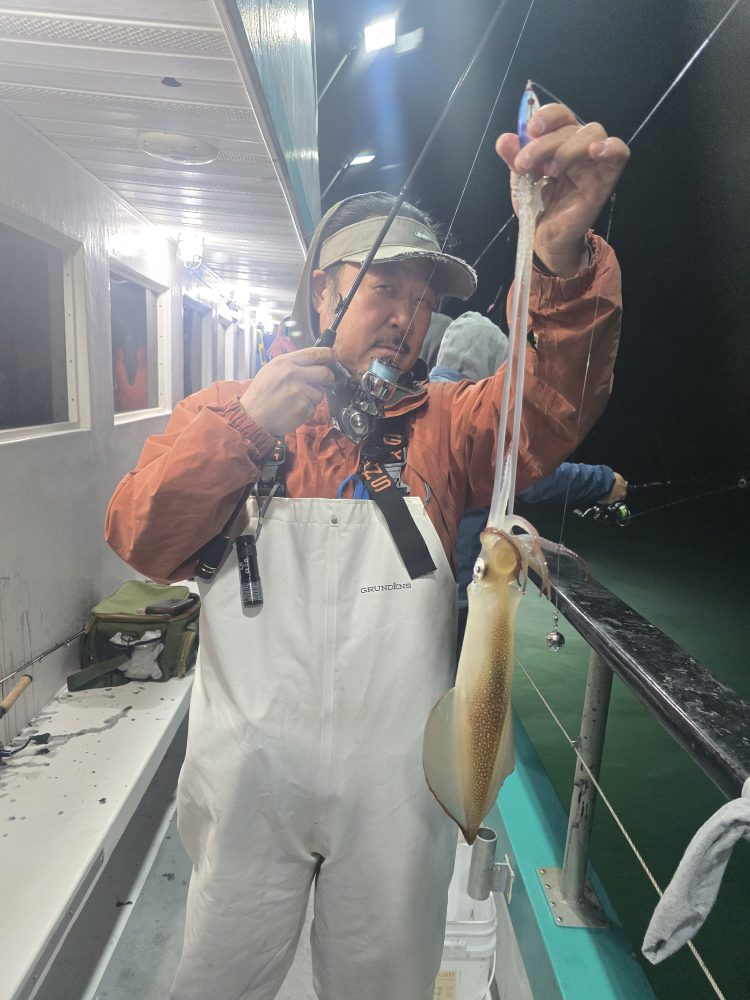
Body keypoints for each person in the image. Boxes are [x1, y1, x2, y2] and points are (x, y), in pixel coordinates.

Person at [105, 104, 629, 1000]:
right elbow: (145, 540)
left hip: (394, 795)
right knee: (215, 979)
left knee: (383, 984)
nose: (408, 316)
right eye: (384, 287)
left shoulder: (450, 427)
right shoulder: (228, 407)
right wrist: (243, 429)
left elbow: (545, 412)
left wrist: (563, 262)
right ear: (322, 289)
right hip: (244, 791)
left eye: (424, 299)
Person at [429, 310, 628, 650]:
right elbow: (530, 475)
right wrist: (605, 482)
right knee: (457, 690)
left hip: (411, 587)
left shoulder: (416, 402)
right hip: (457, 592)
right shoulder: (475, 420)